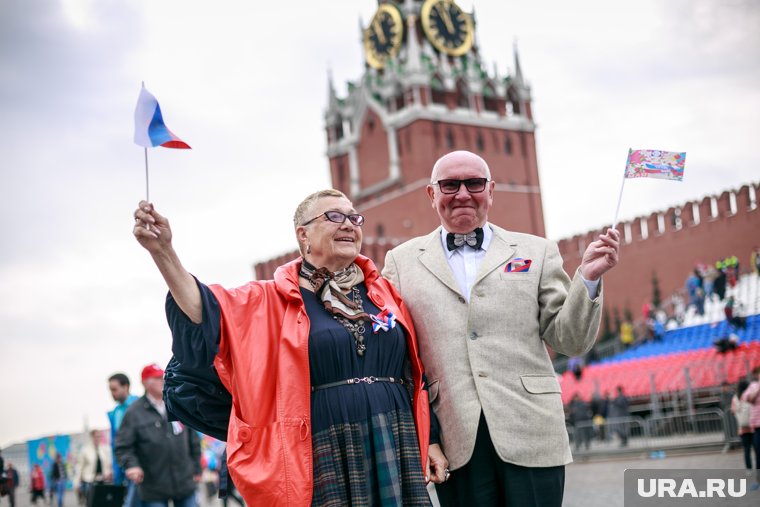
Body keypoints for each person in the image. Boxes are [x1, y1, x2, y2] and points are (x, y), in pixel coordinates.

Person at [132, 189, 448, 506]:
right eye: (334, 217)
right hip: (323, 440)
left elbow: (416, 373)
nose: (349, 224)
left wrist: (431, 439)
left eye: (354, 217)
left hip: (393, 432)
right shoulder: (269, 299)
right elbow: (203, 308)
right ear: (303, 235)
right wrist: (163, 252)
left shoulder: (384, 293)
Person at [382, 150, 620, 506]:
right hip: (455, 439)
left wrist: (586, 279)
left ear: (490, 190)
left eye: (474, 183)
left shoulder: (536, 251)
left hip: (531, 430)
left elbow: (569, 340)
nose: (463, 193)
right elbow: (399, 357)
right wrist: (427, 437)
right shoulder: (401, 263)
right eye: (450, 185)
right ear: (432, 194)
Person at [115, 364, 202, 507]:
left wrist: (197, 468)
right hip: (153, 486)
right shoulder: (133, 413)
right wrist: (132, 466)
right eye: (156, 378)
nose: (163, 380)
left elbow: (193, 438)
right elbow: (123, 446)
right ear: (145, 382)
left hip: (184, 482)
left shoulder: (177, 404)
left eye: (162, 377)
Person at [106, 372, 139, 507]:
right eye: (110, 390)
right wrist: (115, 470)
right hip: (123, 467)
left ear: (126, 387)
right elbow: (115, 443)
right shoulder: (115, 413)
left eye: (114, 389)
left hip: (141, 466)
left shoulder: (140, 405)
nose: (112, 393)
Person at [74, 430, 112, 503]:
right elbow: (79, 467)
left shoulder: (105, 449)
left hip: (103, 482)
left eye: (99, 436)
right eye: (96, 436)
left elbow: (109, 464)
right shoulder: (85, 450)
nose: (98, 438)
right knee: (91, 503)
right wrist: (76, 483)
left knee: (103, 503)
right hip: (90, 482)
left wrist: (109, 473)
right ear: (92, 437)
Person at [741, 366, 760, 490]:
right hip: (758, 427)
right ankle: (758, 481)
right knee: (759, 454)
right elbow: (750, 400)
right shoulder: (753, 386)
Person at [732, 379, 754, 475]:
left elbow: (733, 411)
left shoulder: (735, 398)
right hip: (754, 427)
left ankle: (749, 469)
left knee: (746, 449)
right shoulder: (750, 396)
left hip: (742, 428)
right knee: (757, 448)